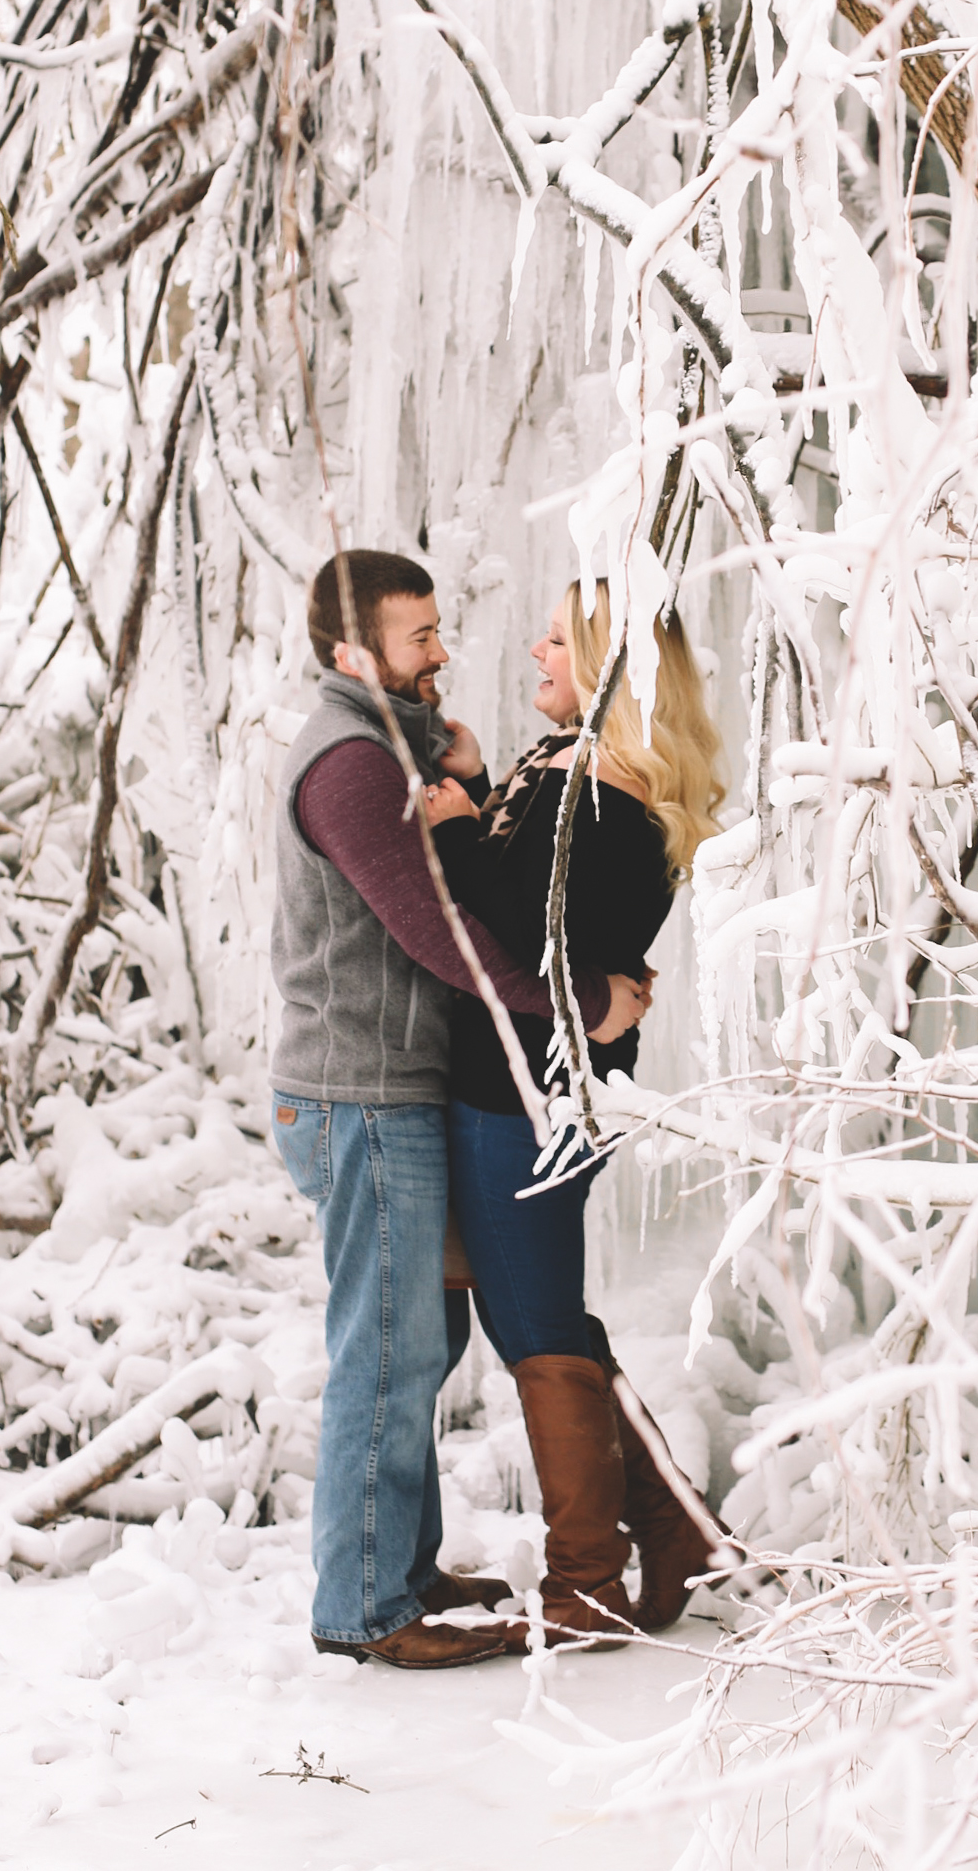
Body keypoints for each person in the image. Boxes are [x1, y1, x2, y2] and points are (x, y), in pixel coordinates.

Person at [268, 550, 648, 1671]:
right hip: (359, 1101)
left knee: (416, 1344)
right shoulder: (345, 767)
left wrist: (466, 778)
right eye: (418, 638)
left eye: (438, 628)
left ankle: (399, 1568)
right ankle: (367, 1609)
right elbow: (436, 932)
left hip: (388, 1093)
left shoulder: (386, 744)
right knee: (385, 1352)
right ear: (352, 656)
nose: (444, 652)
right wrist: (585, 1005)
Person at [424, 578, 729, 1648]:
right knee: (536, 1319)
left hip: (525, 1093)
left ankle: (588, 1584)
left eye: (559, 639)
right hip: (525, 1085)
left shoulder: (602, 793)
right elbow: (536, 899)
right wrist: (472, 780)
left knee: (541, 1326)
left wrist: (458, 830)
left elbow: (521, 933)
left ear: (610, 671)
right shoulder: (573, 775)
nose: (535, 650)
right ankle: (672, 1530)